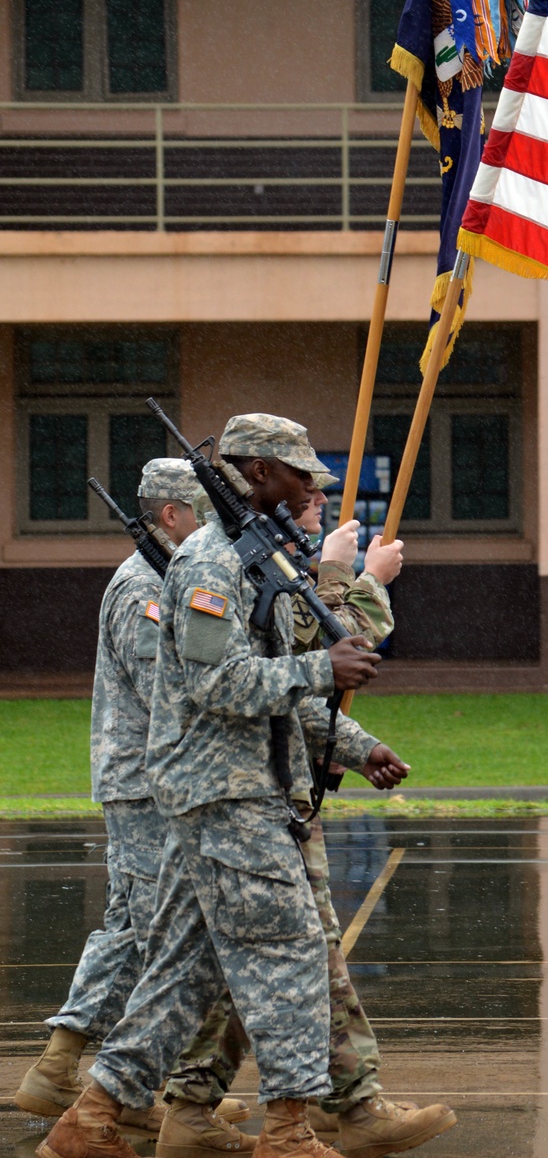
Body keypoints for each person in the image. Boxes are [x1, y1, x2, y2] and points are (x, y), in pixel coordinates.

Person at [38, 414, 385, 1158]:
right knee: (290, 948)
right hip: (223, 791)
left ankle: (91, 1117)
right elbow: (214, 683)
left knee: (184, 971)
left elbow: (267, 674)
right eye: (299, 476)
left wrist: (349, 737)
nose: (308, 490)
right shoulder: (205, 564)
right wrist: (323, 669)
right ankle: (290, 1130)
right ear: (258, 473)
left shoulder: (245, 555)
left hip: (234, 787)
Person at [169, 482, 457, 1158]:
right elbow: (319, 654)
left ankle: (202, 1106)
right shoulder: (228, 572)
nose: (320, 504)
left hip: (275, 792)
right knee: (288, 958)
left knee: (275, 961)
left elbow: (296, 689)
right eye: (309, 498)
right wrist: (362, 582)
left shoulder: (259, 569)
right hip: (240, 800)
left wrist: (357, 749)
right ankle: (320, 1113)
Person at [16, 459, 251, 1150]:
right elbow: (167, 694)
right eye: (203, 515)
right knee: (161, 936)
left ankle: (62, 1067)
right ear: (171, 516)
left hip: (152, 780)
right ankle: (148, 1090)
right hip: (148, 783)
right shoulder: (144, 589)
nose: (216, 531)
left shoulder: (167, 579)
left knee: (131, 926)